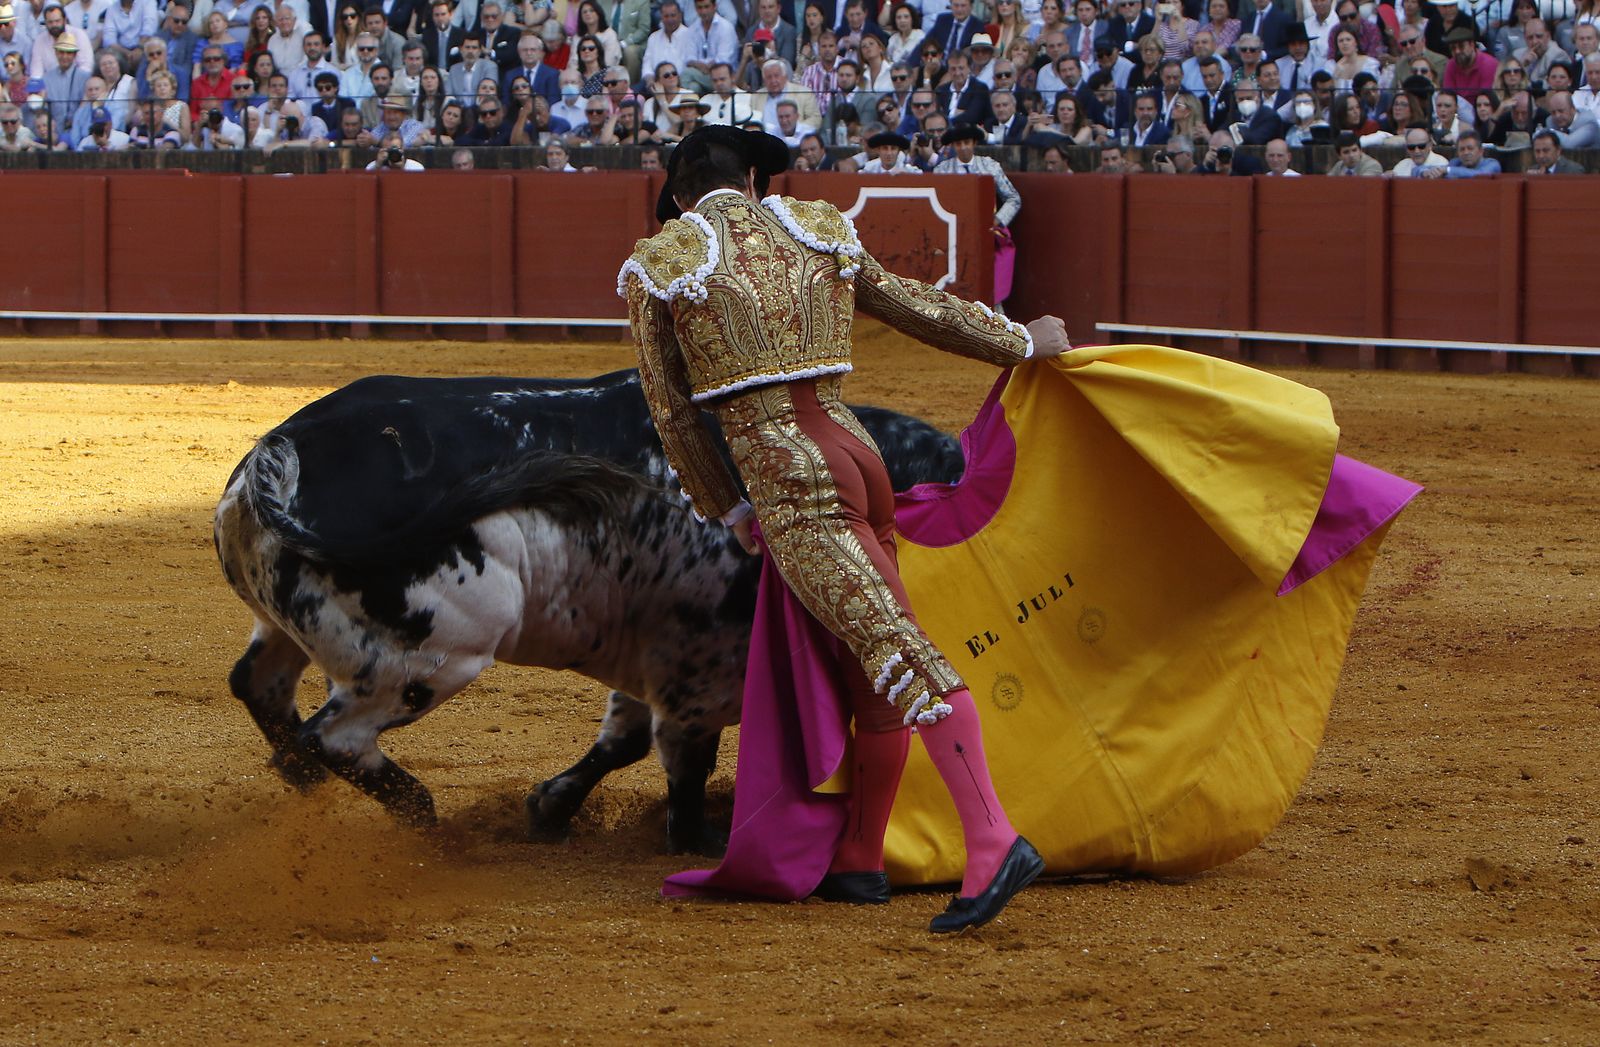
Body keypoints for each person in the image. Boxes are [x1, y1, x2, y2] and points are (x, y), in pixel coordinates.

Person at [622, 125, 1068, 932]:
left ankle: (992, 836)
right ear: (755, 178)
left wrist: (731, 506)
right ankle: (860, 857)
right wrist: (1018, 341)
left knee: (894, 649)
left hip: (790, 475)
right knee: (875, 660)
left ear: (680, 198)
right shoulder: (815, 226)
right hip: (854, 449)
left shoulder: (664, 263)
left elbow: (675, 418)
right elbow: (918, 307)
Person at [933, 122, 1021, 229]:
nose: (963, 147)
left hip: (985, 226)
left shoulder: (989, 166)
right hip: (954, 227)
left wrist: (998, 220)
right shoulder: (941, 171)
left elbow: (1013, 198)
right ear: (953, 146)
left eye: (967, 142)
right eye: (958, 144)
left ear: (974, 143)